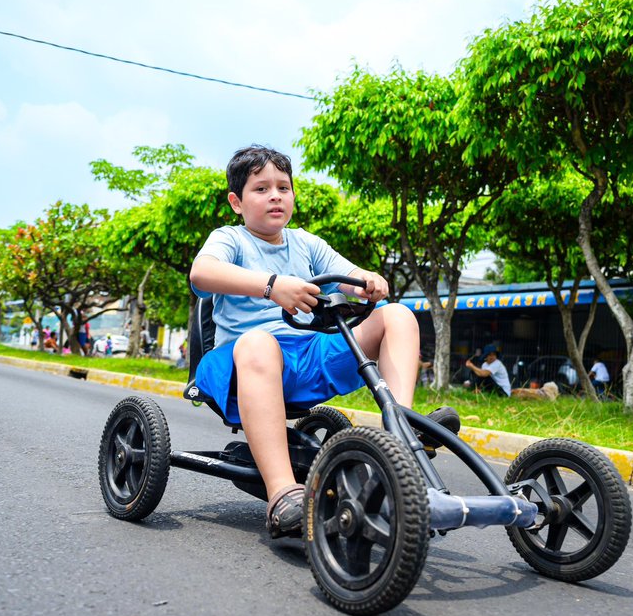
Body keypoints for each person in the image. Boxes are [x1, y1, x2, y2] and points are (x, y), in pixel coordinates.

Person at [188, 145, 456, 540]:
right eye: (261, 189)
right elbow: (202, 272)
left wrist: (368, 280)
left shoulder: (305, 243)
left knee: (398, 315)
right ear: (237, 202)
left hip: (306, 355)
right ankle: (282, 493)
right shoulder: (230, 239)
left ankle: (401, 428)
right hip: (242, 361)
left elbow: (347, 271)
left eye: (283, 187)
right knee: (259, 343)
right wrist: (271, 286)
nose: (275, 195)